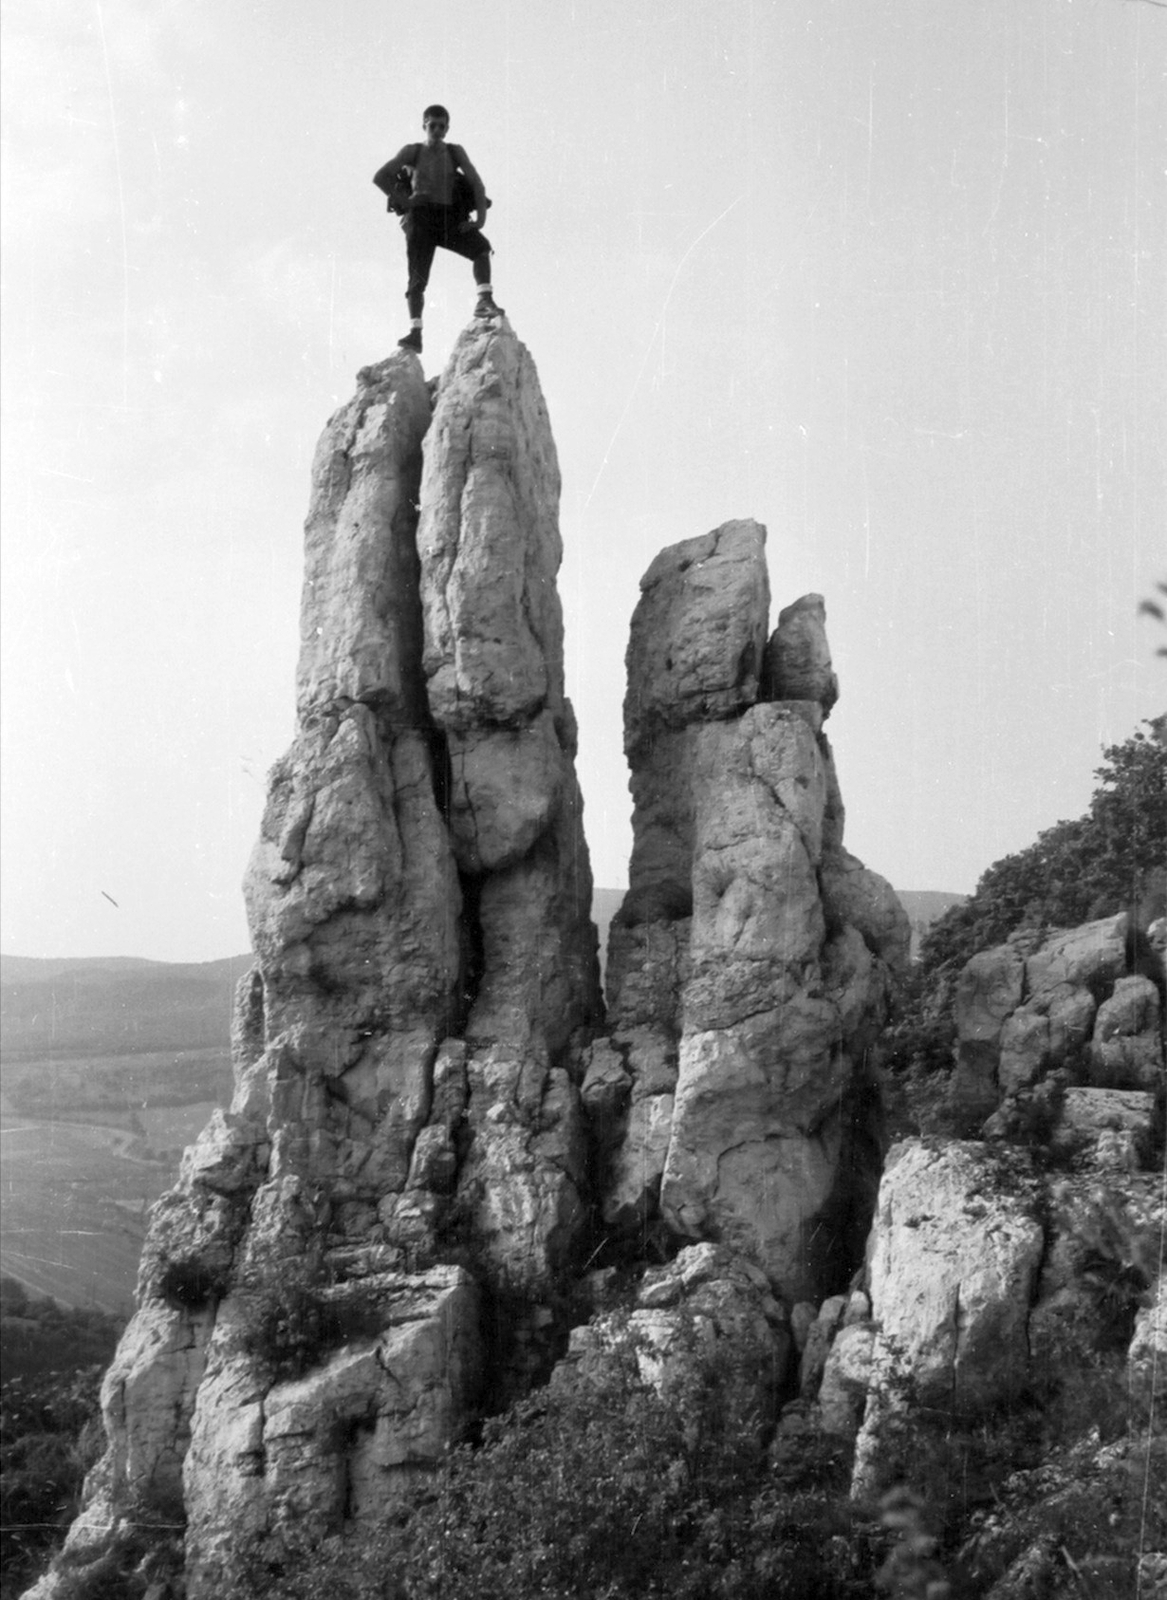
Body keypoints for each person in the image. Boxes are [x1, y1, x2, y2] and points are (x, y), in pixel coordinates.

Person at [373, 105, 502, 355]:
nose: (437, 131)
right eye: (433, 125)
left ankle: (484, 301)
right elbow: (381, 176)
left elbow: (476, 183)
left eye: (442, 126)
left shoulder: (454, 152)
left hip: (447, 219)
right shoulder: (413, 151)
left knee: (481, 248)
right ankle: (415, 333)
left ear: (447, 128)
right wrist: (406, 202)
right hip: (420, 220)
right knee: (417, 280)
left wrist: (480, 221)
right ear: (424, 125)